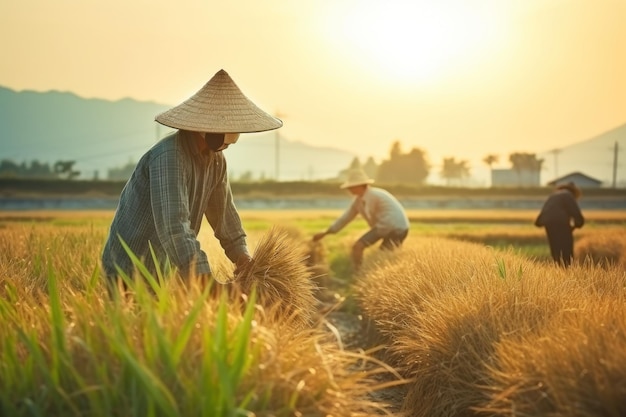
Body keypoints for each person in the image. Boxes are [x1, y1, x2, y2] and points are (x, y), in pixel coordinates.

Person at [101, 69, 282, 292]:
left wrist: (243, 258)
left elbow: (224, 215)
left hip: (165, 269)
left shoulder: (216, 161)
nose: (233, 140)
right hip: (129, 270)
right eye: (229, 129)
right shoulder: (169, 157)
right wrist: (207, 283)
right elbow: (174, 226)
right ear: (207, 128)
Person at [312, 169, 410, 271]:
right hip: (388, 227)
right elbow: (345, 218)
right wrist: (327, 232)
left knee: (361, 248)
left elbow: (385, 225)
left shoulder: (374, 196)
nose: (349, 189)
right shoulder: (358, 201)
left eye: (351, 186)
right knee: (384, 255)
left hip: (395, 228)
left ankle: (359, 274)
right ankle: (364, 273)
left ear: (361, 185)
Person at [534, 181, 585, 267]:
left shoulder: (554, 195)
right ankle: (567, 269)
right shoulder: (568, 195)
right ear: (573, 191)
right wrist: (577, 224)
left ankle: (557, 268)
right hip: (561, 223)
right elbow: (575, 212)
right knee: (566, 248)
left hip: (549, 224)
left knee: (555, 247)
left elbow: (544, 211)